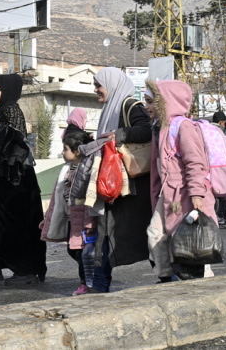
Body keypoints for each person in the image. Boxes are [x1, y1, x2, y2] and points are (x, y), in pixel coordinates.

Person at [0, 73, 47, 286]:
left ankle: (25, 270)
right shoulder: (2, 111)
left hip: (15, 180)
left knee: (12, 224)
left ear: (8, 91)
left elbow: (15, 142)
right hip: (2, 178)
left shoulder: (12, 110)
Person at [144, 80, 218, 281]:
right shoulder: (160, 127)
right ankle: (166, 277)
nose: (146, 106)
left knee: (193, 243)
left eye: (151, 101)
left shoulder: (183, 126)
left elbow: (195, 162)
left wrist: (196, 194)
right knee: (156, 233)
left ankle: (201, 281)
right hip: (169, 194)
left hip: (185, 194)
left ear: (165, 102)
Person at [90, 67, 152, 293]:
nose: (95, 90)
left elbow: (146, 130)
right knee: (106, 235)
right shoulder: (110, 110)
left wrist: (121, 135)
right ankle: (99, 283)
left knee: (141, 233)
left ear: (112, 85)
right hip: (116, 187)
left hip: (133, 187)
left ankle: (167, 277)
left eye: (98, 85)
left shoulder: (129, 105)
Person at [41, 123, 95, 296]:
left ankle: (86, 283)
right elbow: (57, 200)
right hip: (72, 218)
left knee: (81, 253)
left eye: (65, 149)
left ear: (77, 151)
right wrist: (47, 219)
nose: (63, 153)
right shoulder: (66, 169)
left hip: (83, 220)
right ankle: (88, 281)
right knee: (74, 250)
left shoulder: (85, 169)